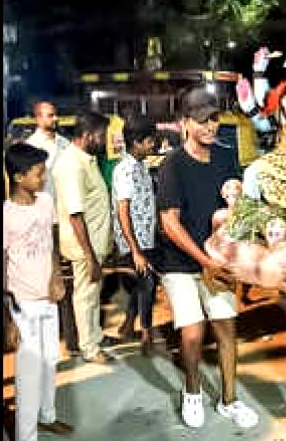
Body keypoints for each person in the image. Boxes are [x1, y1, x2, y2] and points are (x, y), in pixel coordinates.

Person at [156, 86, 259, 429]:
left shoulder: (226, 157)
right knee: (192, 333)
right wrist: (205, 261)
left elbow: (237, 208)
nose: (210, 127)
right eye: (201, 121)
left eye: (213, 119)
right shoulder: (173, 164)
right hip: (181, 264)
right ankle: (192, 390)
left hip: (218, 260)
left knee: (227, 328)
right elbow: (169, 222)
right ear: (184, 123)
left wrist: (244, 245)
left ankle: (229, 400)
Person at [3, 143, 73, 441]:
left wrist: (57, 276)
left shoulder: (45, 202)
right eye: (38, 173)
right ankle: (26, 435)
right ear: (19, 177)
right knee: (29, 375)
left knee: (49, 363)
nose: (43, 179)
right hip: (22, 305)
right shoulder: (6, 215)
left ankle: (47, 417)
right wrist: (8, 319)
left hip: (48, 299)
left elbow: (52, 240)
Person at [53, 110, 119, 365]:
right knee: (86, 296)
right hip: (84, 247)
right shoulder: (72, 165)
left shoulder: (84, 159)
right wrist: (90, 256)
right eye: (102, 136)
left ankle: (95, 336)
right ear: (89, 135)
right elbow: (75, 215)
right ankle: (90, 348)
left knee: (93, 294)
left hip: (94, 244)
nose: (105, 140)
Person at [24, 101, 79, 356]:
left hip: (65, 218)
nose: (54, 118)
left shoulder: (64, 144)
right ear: (37, 118)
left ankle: (71, 338)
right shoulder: (31, 147)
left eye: (56, 114)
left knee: (67, 279)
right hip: (42, 221)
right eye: (49, 115)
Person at [111, 115, 160, 355]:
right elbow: (123, 212)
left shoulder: (141, 164)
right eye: (150, 141)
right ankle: (146, 334)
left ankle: (128, 325)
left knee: (141, 285)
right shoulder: (125, 170)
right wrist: (136, 251)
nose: (154, 145)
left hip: (146, 237)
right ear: (137, 142)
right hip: (135, 242)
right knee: (147, 285)